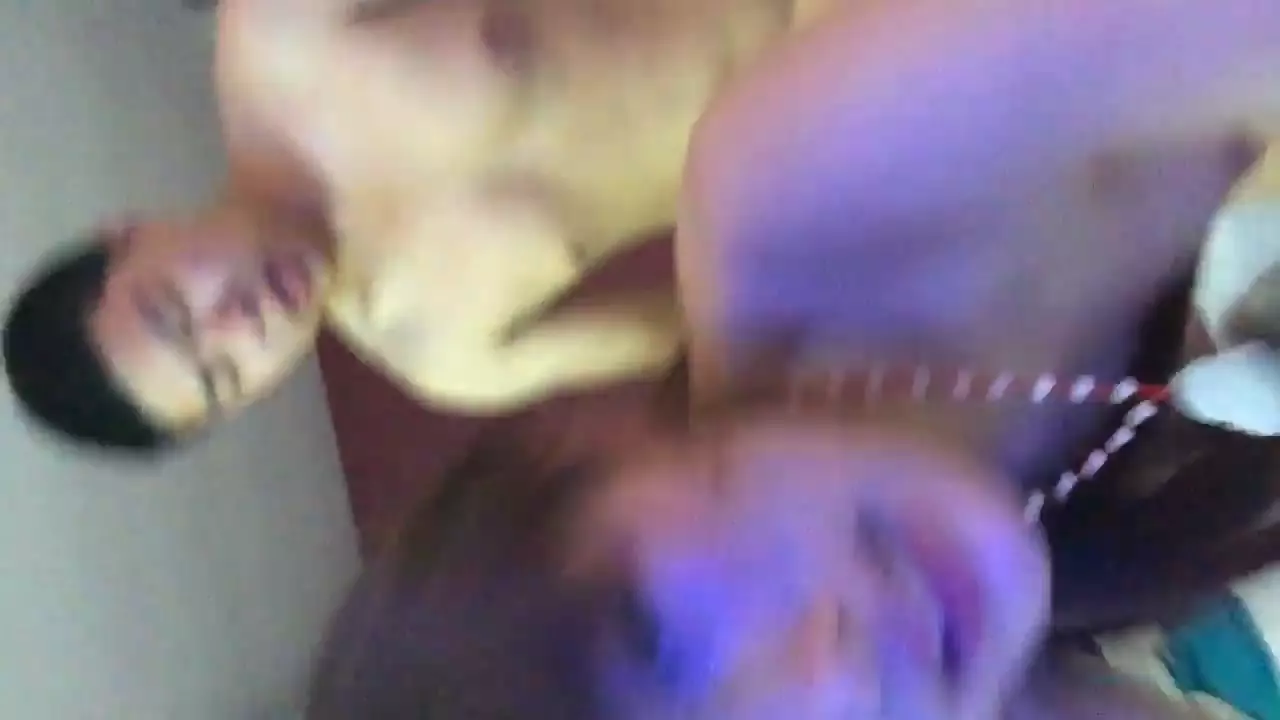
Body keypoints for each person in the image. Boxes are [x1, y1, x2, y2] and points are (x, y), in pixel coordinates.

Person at [302, 0, 1280, 718]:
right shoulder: (991, 677)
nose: (825, 670)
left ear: (587, 450)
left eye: (667, 641)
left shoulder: (820, 192)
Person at [3, 0, 833, 452]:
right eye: (224, 376)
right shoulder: (448, 353)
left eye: (174, 311)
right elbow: (724, 331)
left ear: (130, 232)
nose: (236, 324)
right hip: (853, 102)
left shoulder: (282, 33)